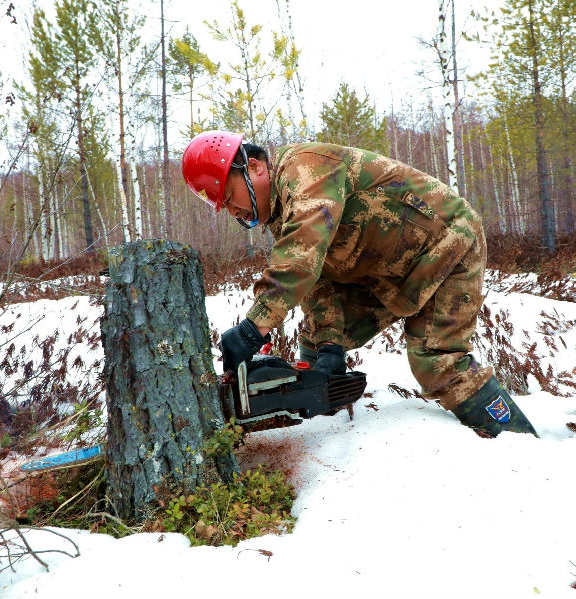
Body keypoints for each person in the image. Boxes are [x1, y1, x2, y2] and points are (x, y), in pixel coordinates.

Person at [181, 130, 537, 437]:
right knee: (316, 345)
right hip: (390, 273)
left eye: (229, 198)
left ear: (255, 167)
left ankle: (517, 444)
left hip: (447, 245)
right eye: (223, 208)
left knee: (436, 362)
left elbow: (301, 254)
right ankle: (335, 437)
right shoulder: (281, 212)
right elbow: (318, 283)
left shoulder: (305, 168)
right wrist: (331, 345)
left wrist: (252, 329)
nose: (234, 212)